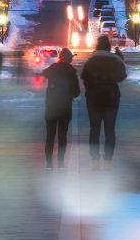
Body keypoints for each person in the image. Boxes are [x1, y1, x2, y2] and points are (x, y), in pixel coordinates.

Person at [81, 35, 127, 169]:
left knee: (94, 130)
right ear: (109, 46)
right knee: (110, 130)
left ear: (97, 45)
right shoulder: (114, 60)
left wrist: (91, 84)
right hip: (111, 100)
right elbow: (122, 76)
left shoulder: (92, 60)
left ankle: (95, 159)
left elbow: (84, 76)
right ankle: (108, 161)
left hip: (94, 100)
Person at [42, 48, 80, 169]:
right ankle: (61, 163)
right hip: (65, 108)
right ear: (69, 59)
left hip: (51, 107)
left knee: (50, 136)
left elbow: (44, 72)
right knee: (62, 136)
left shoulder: (53, 69)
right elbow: (76, 92)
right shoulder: (71, 72)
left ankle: (48, 163)